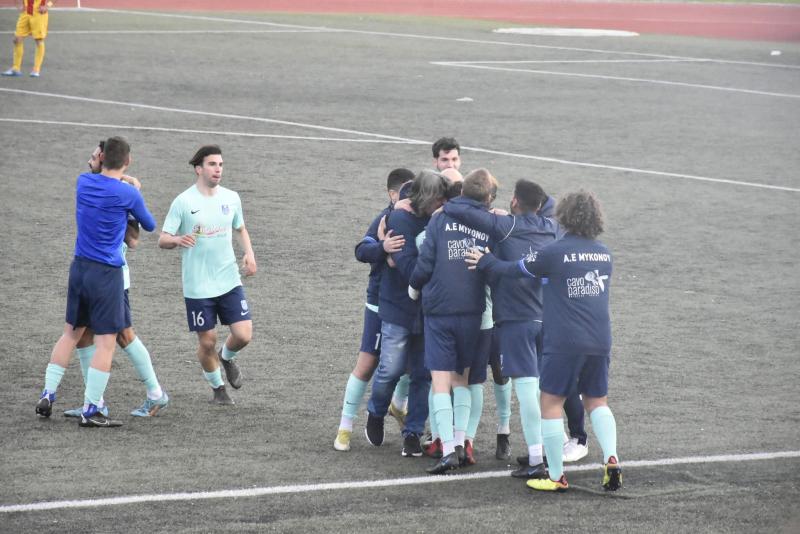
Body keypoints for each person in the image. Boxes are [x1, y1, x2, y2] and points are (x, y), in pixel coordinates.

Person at [465, 190, 622, 492]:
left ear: (564, 216)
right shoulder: (605, 254)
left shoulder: (554, 252)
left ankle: (556, 476)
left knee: (550, 402)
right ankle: (612, 458)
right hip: (600, 339)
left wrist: (487, 260)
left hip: (564, 340)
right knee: (597, 401)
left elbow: (514, 270)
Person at [35, 136, 157, 427]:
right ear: (128, 160)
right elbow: (149, 225)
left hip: (79, 268)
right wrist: (133, 187)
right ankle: (92, 409)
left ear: (101, 158)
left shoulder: (83, 182)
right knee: (106, 343)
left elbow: (99, 176)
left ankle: (48, 393)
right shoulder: (128, 193)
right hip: (107, 274)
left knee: (70, 334)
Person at [444, 178, 560, 479]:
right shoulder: (551, 227)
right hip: (547, 318)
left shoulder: (505, 226)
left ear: (514, 201)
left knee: (526, 390)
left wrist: (488, 210)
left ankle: (536, 458)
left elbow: (456, 208)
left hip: (516, 320)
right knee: (542, 389)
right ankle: (545, 452)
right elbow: (551, 204)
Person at [62, 141, 169, 419]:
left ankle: (155, 393)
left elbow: (133, 240)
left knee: (123, 335)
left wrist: (129, 191)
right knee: (85, 337)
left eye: (94, 156)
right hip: (100, 274)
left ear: (102, 158)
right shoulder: (117, 189)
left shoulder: (110, 191)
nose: (90, 160)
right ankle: (94, 401)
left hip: (113, 277)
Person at [408, 169, 495, 474]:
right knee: (463, 380)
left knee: (441, 383)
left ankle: (447, 450)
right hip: (472, 311)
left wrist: (414, 287)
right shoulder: (488, 223)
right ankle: (460, 443)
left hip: (440, 310)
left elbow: (426, 261)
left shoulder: (439, 220)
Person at [159, 145, 256, 405]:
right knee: (207, 341)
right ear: (198, 169)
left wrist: (249, 253)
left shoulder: (231, 198)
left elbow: (240, 228)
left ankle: (226, 357)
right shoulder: (183, 202)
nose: (218, 169)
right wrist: (178, 239)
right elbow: (163, 239)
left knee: (244, 334)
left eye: (221, 164)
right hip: (198, 285)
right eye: (212, 164)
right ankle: (218, 389)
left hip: (228, 278)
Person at [364, 170, 449, 457]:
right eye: (439, 199)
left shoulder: (439, 215)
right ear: (426, 197)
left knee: (423, 375)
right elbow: (411, 269)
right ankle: (376, 411)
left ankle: (412, 432)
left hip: (429, 310)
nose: (443, 204)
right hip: (399, 307)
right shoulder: (400, 218)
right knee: (390, 369)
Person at [333, 168, 413, 452]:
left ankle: (399, 406)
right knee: (368, 363)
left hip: (410, 304)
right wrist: (383, 247)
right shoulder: (384, 219)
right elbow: (361, 250)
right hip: (380, 303)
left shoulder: (421, 217)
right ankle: (345, 427)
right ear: (393, 195)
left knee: (411, 364)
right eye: (406, 193)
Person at [2, 0, 49, 77]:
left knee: (39, 40)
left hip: (39, 14)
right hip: (25, 14)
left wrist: (47, 6)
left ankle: (36, 70)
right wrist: (19, 5)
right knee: (17, 40)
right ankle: (16, 69)